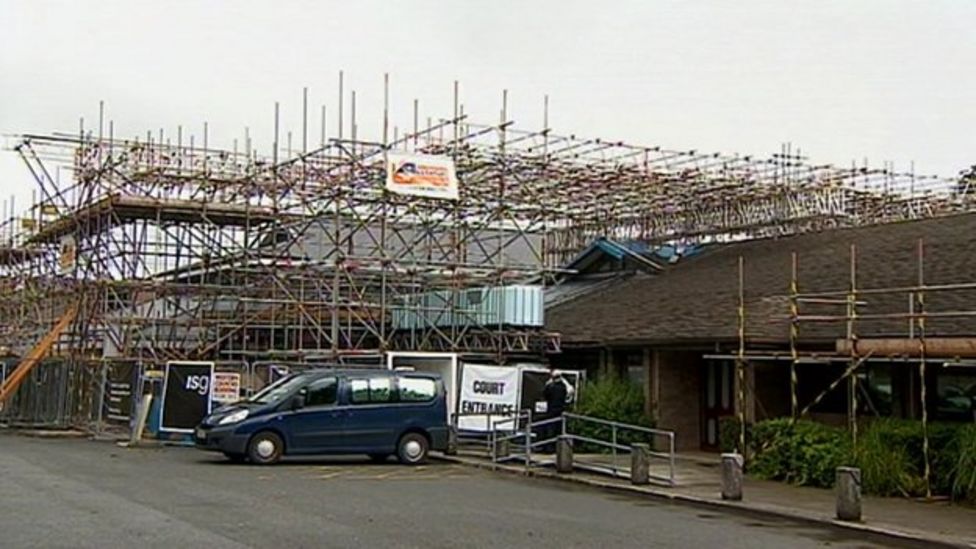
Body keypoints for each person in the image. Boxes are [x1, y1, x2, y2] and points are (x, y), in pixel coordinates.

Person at [540, 371, 568, 453]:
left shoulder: (551, 387)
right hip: (560, 410)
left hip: (551, 410)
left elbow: (545, 394)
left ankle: (548, 448)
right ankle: (557, 448)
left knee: (550, 428)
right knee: (558, 429)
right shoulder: (563, 387)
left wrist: (547, 385)